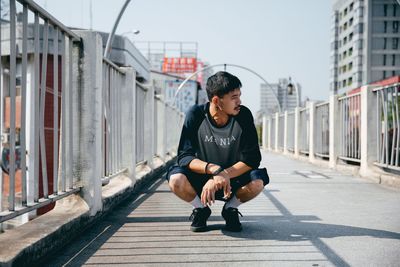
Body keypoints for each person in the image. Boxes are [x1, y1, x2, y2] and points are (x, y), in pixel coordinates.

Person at [166, 71, 269, 232]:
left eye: (239, 96)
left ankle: (230, 209)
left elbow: (252, 158)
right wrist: (214, 170)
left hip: (233, 178)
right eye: (233, 97)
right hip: (201, 178)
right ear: (216, 100)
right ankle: (201, 209)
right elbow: (185, 156)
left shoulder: (244, 115)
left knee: (257, 182)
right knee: (176, 179)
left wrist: (221, 175)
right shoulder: (196, 115)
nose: (239, 101)